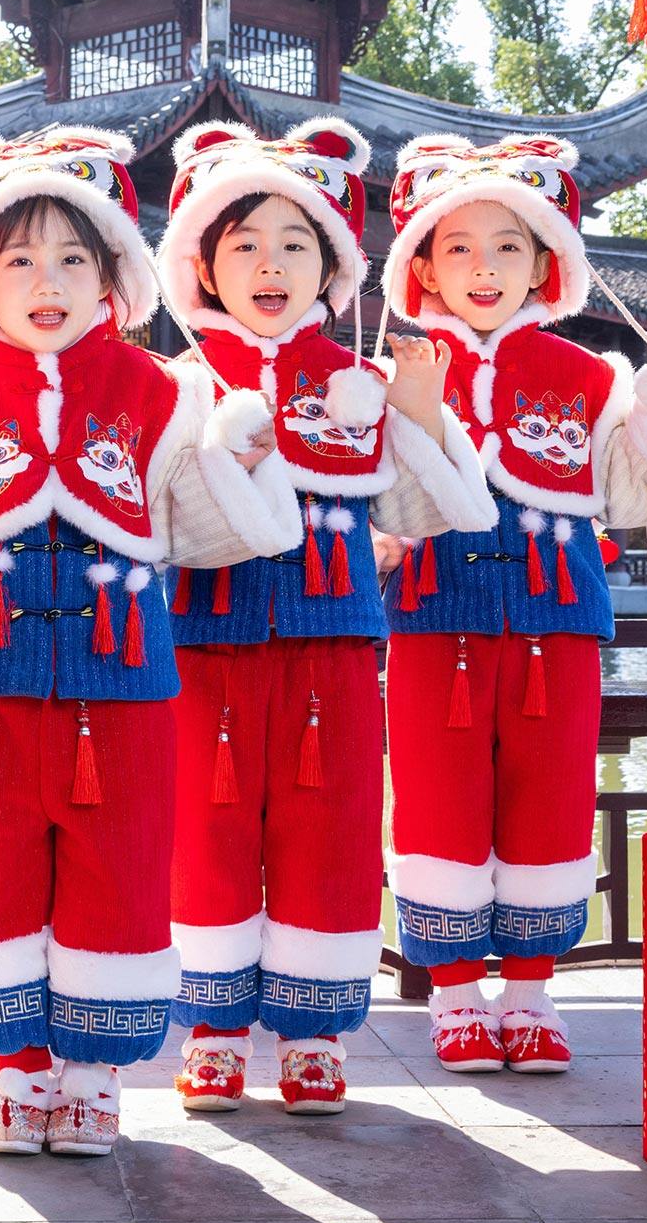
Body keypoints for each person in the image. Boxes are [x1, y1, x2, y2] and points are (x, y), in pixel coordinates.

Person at [0, 127, 302, 1157]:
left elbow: (206, 531)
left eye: (74, 257)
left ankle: (95, 1071)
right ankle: (18, 1066)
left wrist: (240, 456)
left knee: (119, 867)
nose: (48, 281)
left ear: (115, 275)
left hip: (125, 687)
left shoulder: (165, 392)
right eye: (19, 259)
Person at [154, 118, 497, 1113]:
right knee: (206, 830)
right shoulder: (179, 384)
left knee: (332, 828)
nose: (271, 265)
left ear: (333, 267)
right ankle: (215, 1028)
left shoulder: (363, 385)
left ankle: (312, 1032)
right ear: (204, 267)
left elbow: (437, 512)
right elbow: (153, 520)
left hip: (335, 643)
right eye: (245, 245)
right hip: (206, 643)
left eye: (295, 244)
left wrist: (422, 411)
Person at [379, 135, 647, 1072]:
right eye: (459, 247)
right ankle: (456, 993)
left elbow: (639, 490)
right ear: (424, 267)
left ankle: (532, 991)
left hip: (555, 624)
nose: (484, 267)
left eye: (509, 246)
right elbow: (377, 502)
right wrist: (413, 409)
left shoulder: (588, 375)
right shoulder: (400, 371)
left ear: (545, 264)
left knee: (553, 794)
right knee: (437, 795)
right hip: (435, 622)